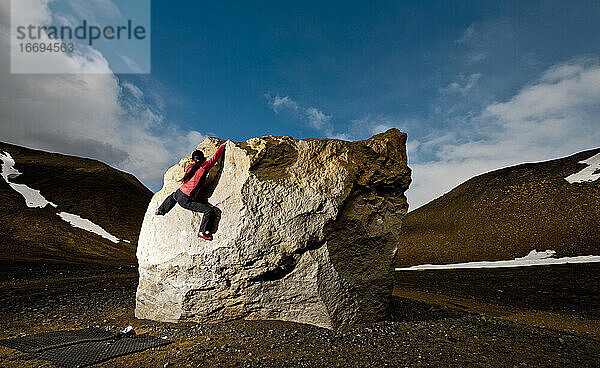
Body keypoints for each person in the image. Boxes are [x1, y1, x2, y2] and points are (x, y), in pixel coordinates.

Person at [155, 143, 226, 240]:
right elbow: (215, 157)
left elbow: (192, 166)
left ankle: (161, 210)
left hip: (179, 193)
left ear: (193, 160)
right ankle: (203, 231)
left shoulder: (189, 167)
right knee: (209, 211)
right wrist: (222, 146)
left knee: (173, 196)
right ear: (203, 159)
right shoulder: (204, 167)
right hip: (186, 200)